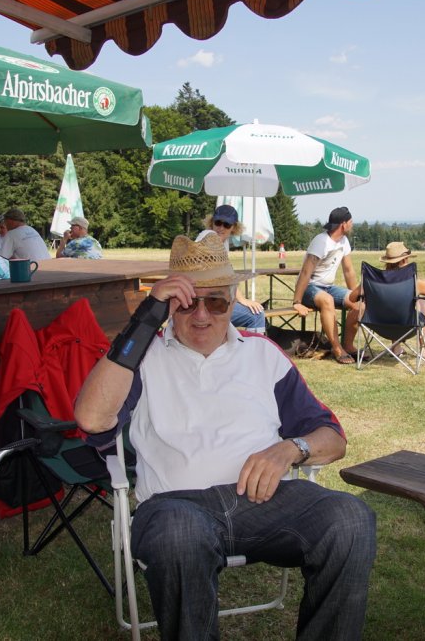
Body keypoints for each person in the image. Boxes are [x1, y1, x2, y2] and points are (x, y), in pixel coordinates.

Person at [75, 233, 376, 640]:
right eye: (186, 302)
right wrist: (145, 319)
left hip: (265, 502)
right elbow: (91, 418)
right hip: (177, 508)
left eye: (215, 301)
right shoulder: (141, 357)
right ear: (168, 305)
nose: (201, 315)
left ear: (233, 301)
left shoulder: (262, 353)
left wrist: (291, 449)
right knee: (180, 536)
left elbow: (333, 438)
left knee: (351, 519)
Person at [292, 206, 361, 363]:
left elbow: (348, 270)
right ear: (343, 224)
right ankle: (337, 349)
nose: (352, 225)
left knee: (360, 305)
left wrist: (355, 296)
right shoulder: (321, 241)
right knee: (327, 300)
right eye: (351, 222)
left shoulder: (344, 241)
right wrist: (297, 301)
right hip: (310, 287)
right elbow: (305, 272)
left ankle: (348, 345)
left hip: (328, 287)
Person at [201, 204, 266, 333]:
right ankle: (255, 346)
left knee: (254, 311)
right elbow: (225, 277)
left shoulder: (221, 243)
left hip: (212, 300)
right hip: (206, 304)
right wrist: (242, 300)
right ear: (211, 222)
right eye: (218, 223)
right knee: (256, 315)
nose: (221, 228)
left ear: (234, 228)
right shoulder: (209, 239)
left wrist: (238, 299)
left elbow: (226, 276)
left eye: (226, 225)